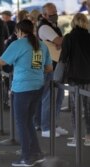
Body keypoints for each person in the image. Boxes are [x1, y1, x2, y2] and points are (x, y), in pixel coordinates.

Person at [0, 19, 53, 166]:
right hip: (38, 86)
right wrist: (34, 69)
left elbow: (0, 62)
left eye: (16, 32)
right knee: (28, 121)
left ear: (20, 31)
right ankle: (36, 153)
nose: (15, 34)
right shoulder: (41, 45)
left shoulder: (18, 44)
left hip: (22, 88)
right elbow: (49, 68)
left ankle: (26, 157)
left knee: (22, 123)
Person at [37, 3, 68, 138]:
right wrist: (63, 41)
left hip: (56, 65)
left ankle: (53, 124)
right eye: (52, 13)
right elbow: (59, 40)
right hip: (49, 66)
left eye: (56, 12)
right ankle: (46, 127)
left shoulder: (53, 26)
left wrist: (59, 42)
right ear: (44, 15)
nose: (55, 15)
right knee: (49, 97)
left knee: (58, 97)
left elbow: (59, 42)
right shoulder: (44, 27)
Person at [59, 13, 90, 147]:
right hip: (89, 77)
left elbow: (63, 59)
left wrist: (57, 78)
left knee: (76, 108)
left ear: (73, 23)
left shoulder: (69, 38)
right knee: (88, 108)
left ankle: (77, 138)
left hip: (74, 78)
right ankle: (89, 136)